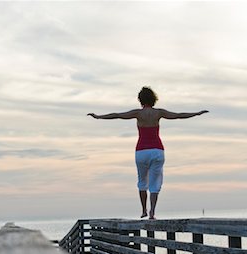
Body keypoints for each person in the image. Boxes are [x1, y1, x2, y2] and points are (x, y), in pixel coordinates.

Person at [87, 87, 208, 219]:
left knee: (142, 181)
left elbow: (117, 115)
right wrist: (196, 113)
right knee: (155, 183)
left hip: (141, 151)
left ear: (140, 100)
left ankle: (144, 210)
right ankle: (152, 212)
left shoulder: (138, 113)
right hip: (157, 150)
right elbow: (178, 115)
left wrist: (98, 117)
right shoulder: (158, 113)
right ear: (153, 99)